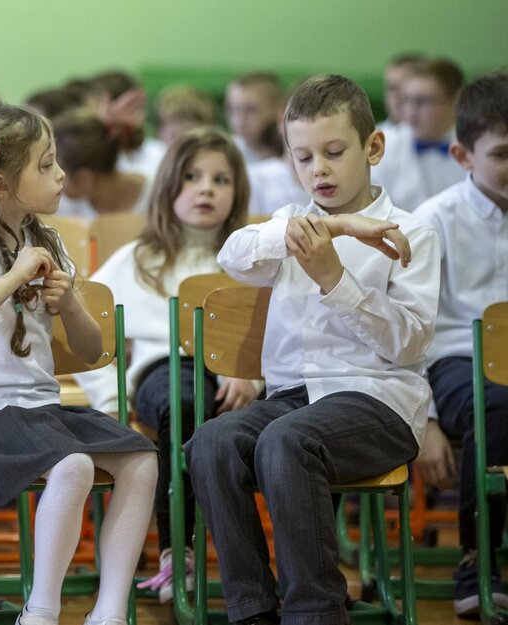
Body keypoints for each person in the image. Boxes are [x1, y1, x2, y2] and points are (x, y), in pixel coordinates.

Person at [188, 74, 440, 625]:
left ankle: (317, 613)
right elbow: (233, 255)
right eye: (303, 157)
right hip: (294, 398)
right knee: (210, 442)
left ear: (372, 147)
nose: (318, 170)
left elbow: (409, 343)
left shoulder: (413, 232)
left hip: (379, 402)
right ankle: (253, 610)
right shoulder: (290, 224)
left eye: (333, 152)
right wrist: (338, 226)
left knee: (285, 442)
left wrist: (336, 280)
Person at [0, 103, 157, 625]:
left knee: (143, 460)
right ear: (2, 183)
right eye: (46, 165)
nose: (60, 176)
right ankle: (40, 611)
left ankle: (110, 612)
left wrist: (69, 302)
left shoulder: (44, 240)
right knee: (73, 465)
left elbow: (94, 351)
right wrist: (13, 277)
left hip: (39, 410)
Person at [73, 128, 258, 603]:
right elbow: (88, 335)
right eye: (192, 177)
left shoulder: (252, 262)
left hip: (236, 376)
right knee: (184, 402)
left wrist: (251, 373)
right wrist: (113, 400)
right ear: (168, 187)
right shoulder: (138, 259)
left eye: (221, 179)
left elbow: (275, 336)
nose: (206, 189)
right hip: (166, 369)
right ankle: (179, 550)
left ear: (237, 192)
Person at [411, 71, 508, 617]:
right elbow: (407, 336)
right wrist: (422, 420)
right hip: (455, 360)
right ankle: (478, 556)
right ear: (463, 155)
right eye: (504, 153)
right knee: (494, 402)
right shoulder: (434, 223)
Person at [373, 58, 467, 210]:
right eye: (407, 100)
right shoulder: (383, 146)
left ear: (456, 100)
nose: (410, 112)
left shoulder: (474, 146)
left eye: (422, 101)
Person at [53, 108, 151, 220]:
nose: (51, 180)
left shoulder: (158, 195)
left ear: (84, 179)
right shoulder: (61, 209)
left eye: (54, 169)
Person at [225, 72, 285, 164]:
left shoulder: (292, 151)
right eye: (233, 109)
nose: (240, 121)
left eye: (251, 110)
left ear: (277, 110)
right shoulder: (227, 152)